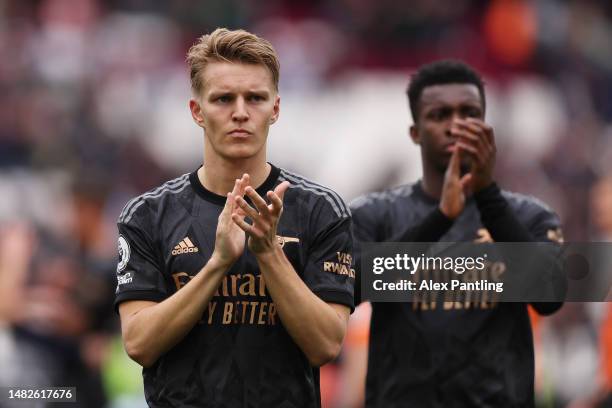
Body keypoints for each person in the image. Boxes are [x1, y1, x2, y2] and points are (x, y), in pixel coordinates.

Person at [115, 28, 354, 408]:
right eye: (224, 98)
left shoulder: (322, 211)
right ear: (197, 111)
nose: (240, 112)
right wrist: (217, 263)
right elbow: (139, 344)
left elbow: (325, 345)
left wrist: (268, 253)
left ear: (275, 108)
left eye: (255, 98)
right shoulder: (148, 214)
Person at [350, 60, 564, 407]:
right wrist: (440, 218)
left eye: (469, 113)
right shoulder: (375, 215)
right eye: (440, 115)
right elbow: (351, 289)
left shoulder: (530, 215)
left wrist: (488, 196)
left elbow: (550, 296)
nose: (456, 125)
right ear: (415, 132)